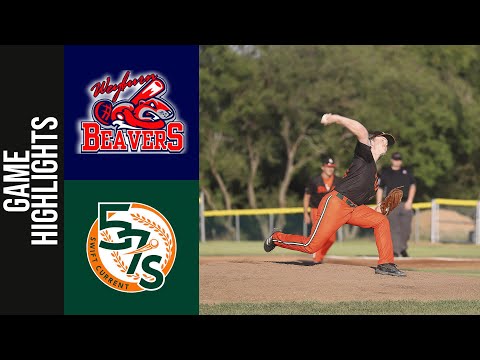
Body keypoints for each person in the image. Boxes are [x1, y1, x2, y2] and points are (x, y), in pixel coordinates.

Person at [264, 113, 406, 277]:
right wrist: (335, 119)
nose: (385, 143)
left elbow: (365, 204)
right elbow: (361, 130)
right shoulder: (364, 156)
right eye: (382, 139)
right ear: (371, 142)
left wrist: (380, 209)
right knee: (311, 246)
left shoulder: (375, 178)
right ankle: (276, 237)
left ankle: (385, 264)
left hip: (354, 209)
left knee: (381, 221)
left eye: (387, 143)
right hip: (336, 204)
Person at [376, 151, 416, 258]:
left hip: (405, 203)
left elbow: (413, 185)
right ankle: (395, 251)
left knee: (406, 229)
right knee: (394, 228)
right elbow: (380, 188)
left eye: (399, 160)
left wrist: (410, 201)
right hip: (391, 203)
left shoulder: (406, 172)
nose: (397, 162)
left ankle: (402, 248)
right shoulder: (386, 172)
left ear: (401, 161)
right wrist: (379, 203)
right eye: (395, 159)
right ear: (392, 160)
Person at [303, 155, 339, 264]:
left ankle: (319, 256)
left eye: (332, 166)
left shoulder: (338, 181)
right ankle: (317, 258)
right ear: (322, 167)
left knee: (332, 239)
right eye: (328, 166)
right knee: (319, 235)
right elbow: (307, 196)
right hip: (316, 210)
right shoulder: (315, 180)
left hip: (331, 212)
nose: (330, 169)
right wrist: (305, 213)